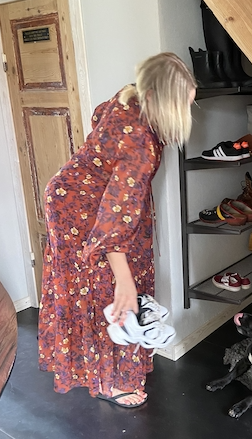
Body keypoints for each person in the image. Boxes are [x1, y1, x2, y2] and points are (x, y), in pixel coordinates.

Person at [38, 52, 197, 408]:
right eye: (182, 105)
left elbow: (98, 119)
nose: (186, 114)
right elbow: (114, 219)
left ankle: (112, 370)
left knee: (105, 292)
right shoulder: (141, 141)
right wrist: (124, 280)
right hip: (83, 214)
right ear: (158, 98)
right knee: (109, 296)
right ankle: (110, 382)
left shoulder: (129, 95)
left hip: (76, 198)